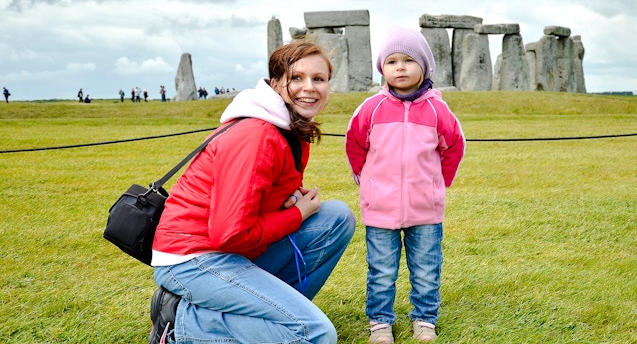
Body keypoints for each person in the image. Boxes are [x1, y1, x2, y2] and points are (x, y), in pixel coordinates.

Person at [149, 41, 356, 344]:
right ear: (275, 84)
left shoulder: (288, 127)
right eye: (296, 78)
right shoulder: (257, 135)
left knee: (336, 218)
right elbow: (229, 234)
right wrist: (297, 215)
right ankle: (180, 320)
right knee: (316, 335)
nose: (309, 87)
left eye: (319, 79)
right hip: (191, 258)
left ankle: (269, 316)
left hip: (227, 252)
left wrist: (291, 199)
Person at [345, 26, 465, 343]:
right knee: (381, 271)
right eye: (392, 61)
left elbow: (454, 147)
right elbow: (355, 145)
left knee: (426, 269)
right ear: (382, 68)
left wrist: (441, 182)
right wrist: (365, 181)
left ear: (424, 66)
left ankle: (424, 320)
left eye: (409, 60)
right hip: (380, 207)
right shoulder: (371, 109)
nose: (400, 67)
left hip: (425, 208)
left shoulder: (438, 110)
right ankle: (380, 323)